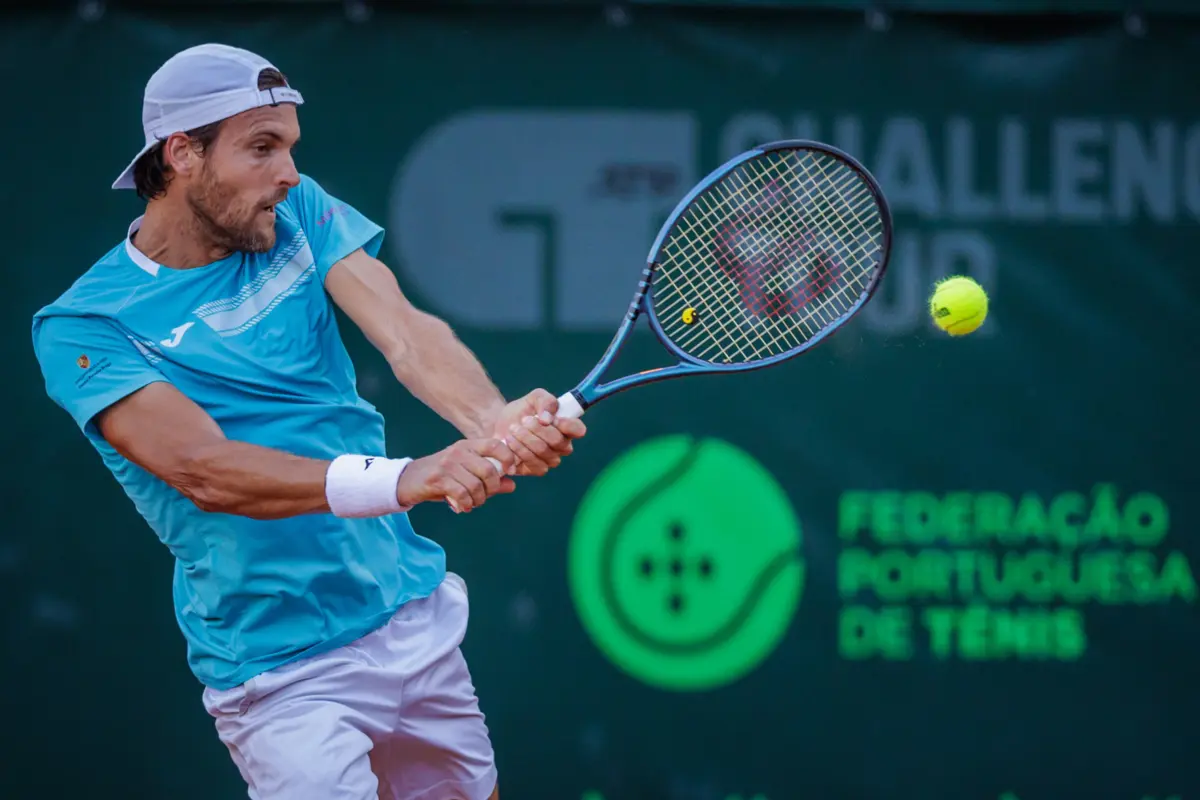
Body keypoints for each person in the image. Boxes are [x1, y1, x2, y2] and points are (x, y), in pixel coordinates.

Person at [30, 43, 586, 800]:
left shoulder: (295, 212)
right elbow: (204, 470)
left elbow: (405, 334)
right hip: (279, 670)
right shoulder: (86, 325)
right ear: (183, 154)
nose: (288, 172)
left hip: (408, 614)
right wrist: (408, 478)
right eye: (262, 148)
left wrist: (492, 419)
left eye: (290, 148)